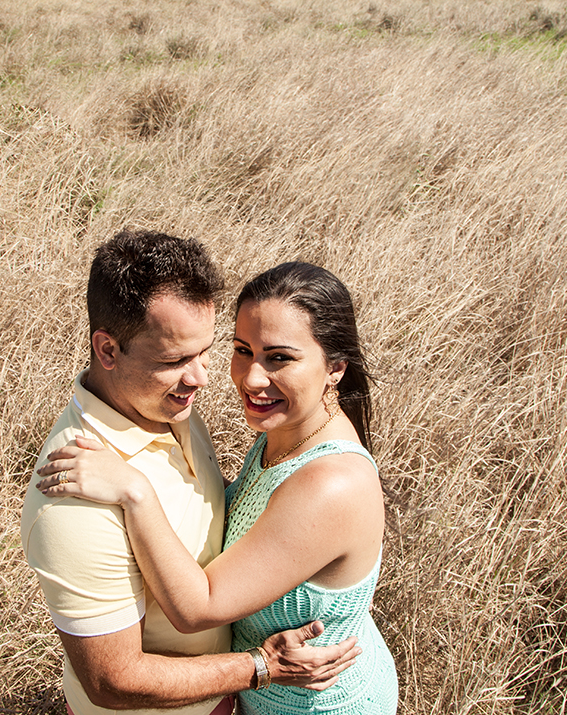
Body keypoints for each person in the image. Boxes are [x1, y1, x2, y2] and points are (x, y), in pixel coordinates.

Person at [19, 233, 361, 715]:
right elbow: (112, 681)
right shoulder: (75, 497)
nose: (200, 376)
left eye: (205, 352)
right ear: (108, 349)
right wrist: (260, 667)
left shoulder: (168, 406)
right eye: (175, 360)